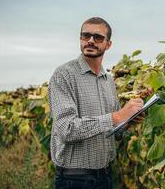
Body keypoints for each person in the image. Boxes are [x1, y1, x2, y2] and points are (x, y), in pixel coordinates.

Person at [48, 17, 143, 189]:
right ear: (80, 39)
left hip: (104, 175)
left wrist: (126, 121)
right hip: (74, 179)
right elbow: (66, 129)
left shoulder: (108, 80)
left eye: (98, 37)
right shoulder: (64, 75)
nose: (91, 41)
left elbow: (112, 132)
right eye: (86, 36)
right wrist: (117, 116)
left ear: (108, 44)